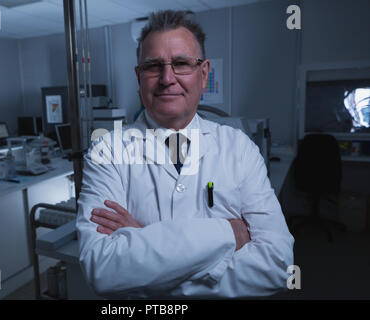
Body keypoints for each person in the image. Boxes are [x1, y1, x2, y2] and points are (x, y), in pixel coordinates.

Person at [76, 10, 294, 298]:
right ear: (139, 77)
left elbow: (277, 264)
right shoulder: (107, 152)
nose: (167, 78)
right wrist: (228, 234)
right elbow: (102, 268)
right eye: (153, 66)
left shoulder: (239, 148)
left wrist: (146, 249)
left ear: (203, 74)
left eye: (181, 63)